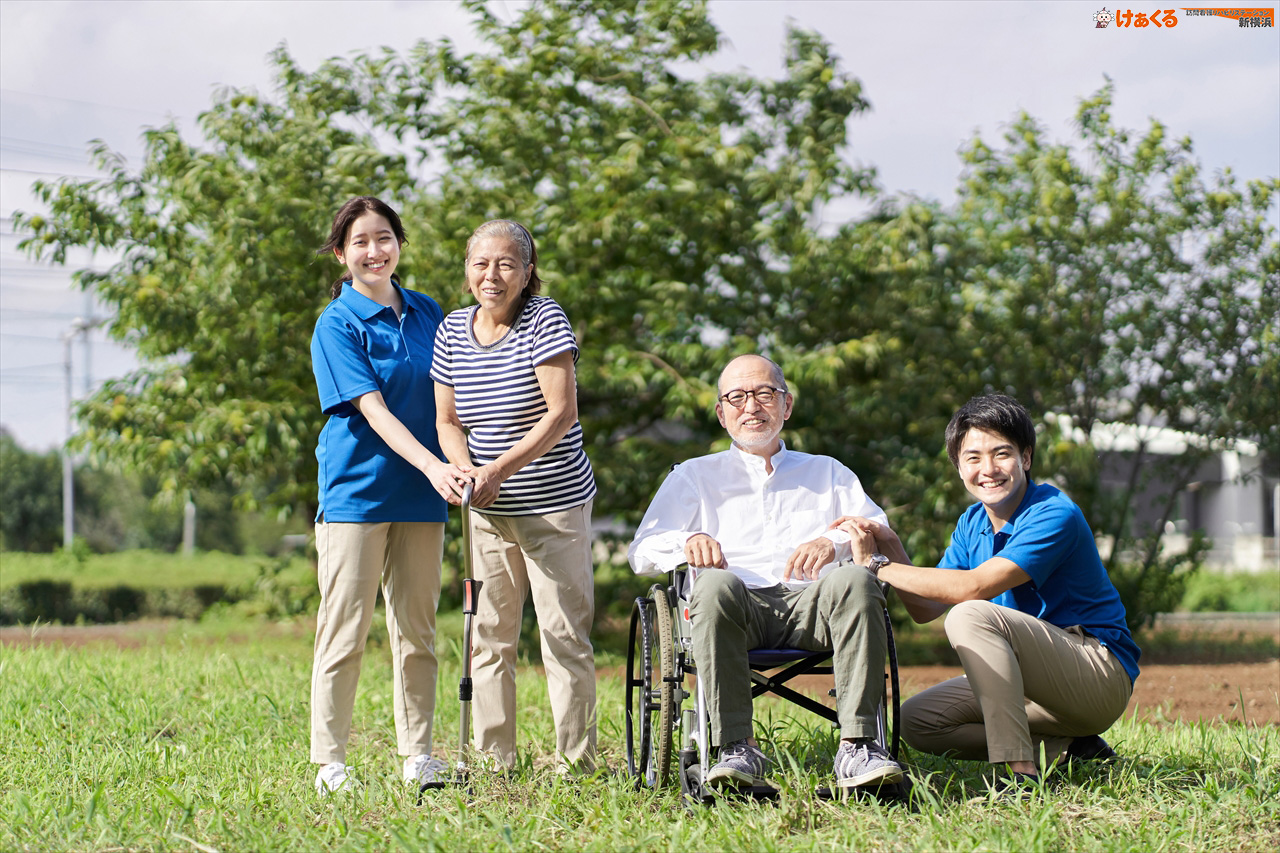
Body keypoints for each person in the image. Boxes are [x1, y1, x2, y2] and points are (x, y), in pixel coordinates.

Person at [628, 354, 905, 794]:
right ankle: (735, 748)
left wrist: (831, 542)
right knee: (714, 583)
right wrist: (687, 542)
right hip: (735, 608)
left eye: (763, 394)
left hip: (813, 606)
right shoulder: (694, 476)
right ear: (722, 413)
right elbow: (641, 551)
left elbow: (877, 526)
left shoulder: (828, 471)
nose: (751, 407)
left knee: (856, 579)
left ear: (786, 405)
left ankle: (859, 747)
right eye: (737, 397)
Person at [836, 393, 1140, 792]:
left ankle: (1020, 775)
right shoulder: (972, 521)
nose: (989, 469)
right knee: (919, 721)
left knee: (969, 613)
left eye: (1002, 453)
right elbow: (926, 608)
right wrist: (891, 546)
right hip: (1036, 685)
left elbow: (973, 588)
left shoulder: (1053, 511)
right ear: (959, 467)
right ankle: (1065, 749)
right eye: (973, 458)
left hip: (1096, 673)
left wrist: (876, 566)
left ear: (1026, 458)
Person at [308, 196, 469, 795]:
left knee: (418, 631)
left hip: (425, 494)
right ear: (341, 253)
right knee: (343, 629)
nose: (373, 251)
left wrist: (461, 464)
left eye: (383, 238)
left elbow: (454, 400)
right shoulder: (337, 323)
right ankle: (330, 763)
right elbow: (372, 410)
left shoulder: (429, 312)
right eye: (359, 243)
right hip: (357, 495)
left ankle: (418, 758)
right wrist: (435, 466)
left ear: (399, 243)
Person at [431, 219, 598, 773]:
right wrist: (465, 469)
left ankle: (575, 762)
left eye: (506, 264)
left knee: (562, 634)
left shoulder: (544, 319)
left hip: (554, 506)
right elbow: (447, 421)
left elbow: (562, 413)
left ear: (527, 272)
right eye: (481, 264)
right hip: (488, 512)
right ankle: (493, 758)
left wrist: (498, 467)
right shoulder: (453, 330)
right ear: (467, 271)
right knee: (488, 637)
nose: (492, 275)